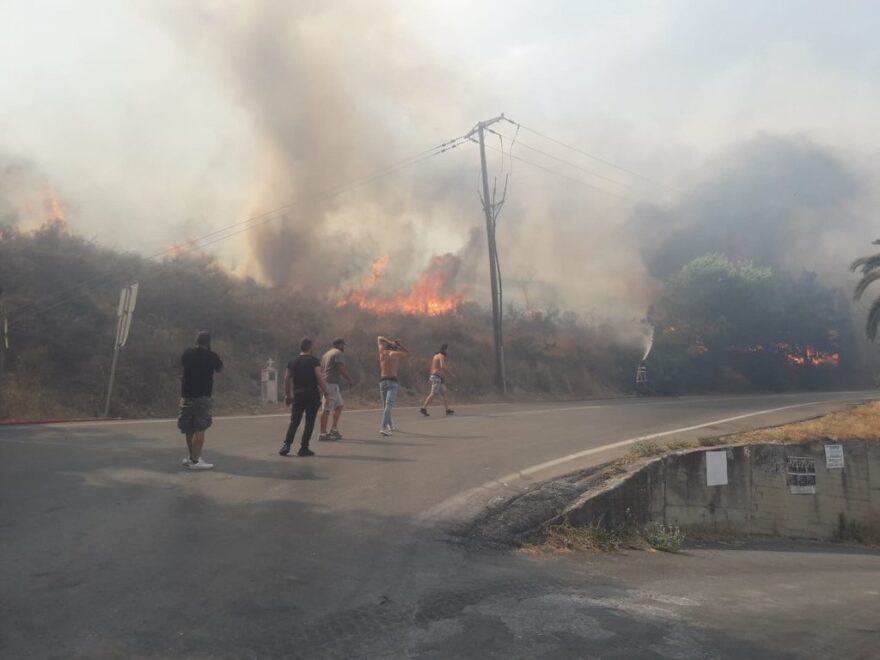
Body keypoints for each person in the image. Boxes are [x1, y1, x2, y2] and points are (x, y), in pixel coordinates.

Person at [178, 331, 223, 470]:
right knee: (200, 428)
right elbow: (219, 368)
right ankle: (196, 461)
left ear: (196, 341)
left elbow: (182, 364)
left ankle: (192, 457)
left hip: (186, 395)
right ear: (208, 343)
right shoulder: (212, 356)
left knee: (189, 427)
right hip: (203, 396)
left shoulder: (187, 353)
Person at [279, 338, 328, 457]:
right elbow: (319, 377)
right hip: (312, 395)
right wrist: (326, 391)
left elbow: (286, 379)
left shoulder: (292, 361)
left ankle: (286, 445)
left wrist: (288, 395)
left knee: (294, 421)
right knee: (309, 421)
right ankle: (304, 448)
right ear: (310, 347)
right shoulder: (314, 361)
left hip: (298, 394)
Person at [318, 338, 353, 441]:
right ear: (340, 344)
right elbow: (340, 367)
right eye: (343, 345)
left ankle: (333, 430)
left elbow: (321, 369)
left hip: (328, 383)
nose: (343, 348)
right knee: (326, 409)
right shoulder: (338, 353)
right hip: (330, 384)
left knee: (339, 406)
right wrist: (349, 379)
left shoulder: (326, 354)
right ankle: (322, 434)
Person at [377, 335, 409, 436]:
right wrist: (400, 345)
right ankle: (383, 427)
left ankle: (390, 425)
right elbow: (409, 354)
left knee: (385, 406)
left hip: (382, 381)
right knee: (388, 406)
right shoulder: (395, 354)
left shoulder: (382, 352)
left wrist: (390, 341)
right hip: (392, 381)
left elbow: (379, 338)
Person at [419, 343, 455, 416]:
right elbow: (442, 366)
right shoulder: (441, 356)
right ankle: (423, 408)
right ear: (445, 350)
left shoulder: (436, 355)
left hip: (438, 377)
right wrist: (450, 374)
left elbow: (434, 366)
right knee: (433, 394)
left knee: (444, 393)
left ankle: (447, 410)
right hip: (436, 377)